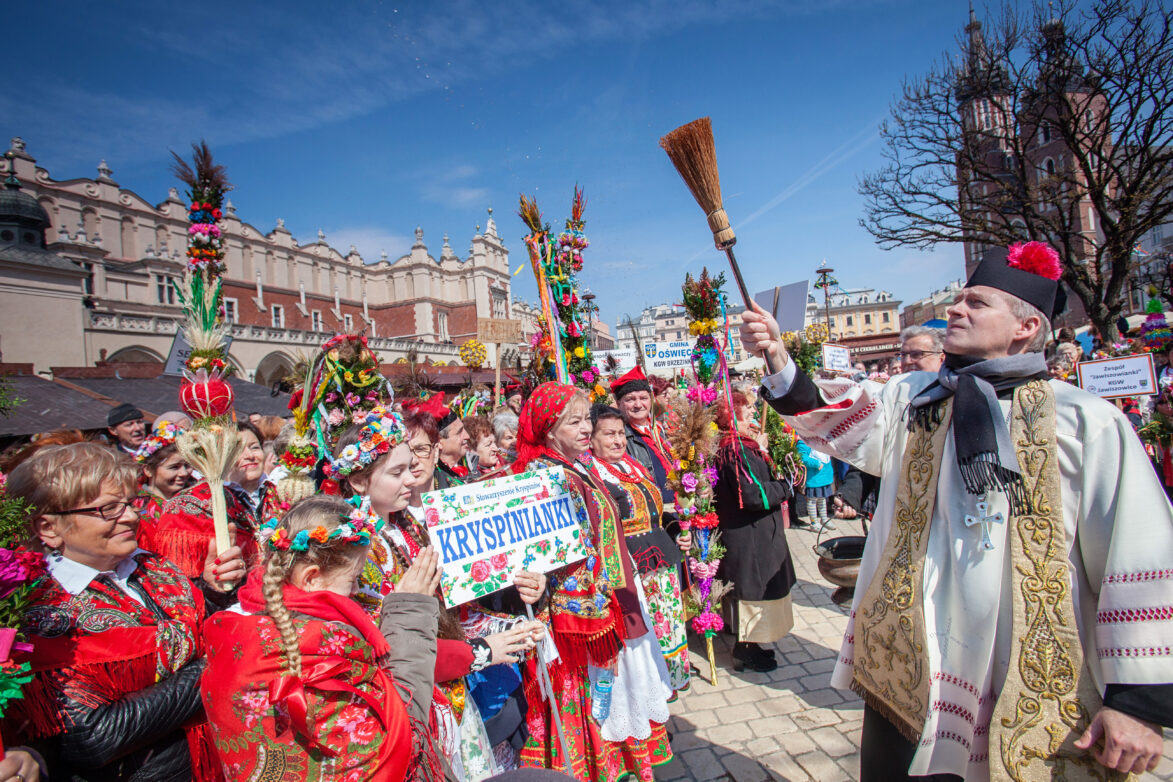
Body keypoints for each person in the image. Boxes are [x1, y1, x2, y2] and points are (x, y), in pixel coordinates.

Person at [740, 240, 1173, 780]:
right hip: (914, 657)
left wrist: (1137, 702)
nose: (954, 309)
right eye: (958, 299)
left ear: (1025, 327)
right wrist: (777, 357)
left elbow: (1136, 555)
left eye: (976, 302)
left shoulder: (1085, 423)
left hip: (1017, 662)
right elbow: (831, 419)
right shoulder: (915, 397)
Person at [3, 442, 244, 781]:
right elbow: (93, 737)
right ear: (49, 528)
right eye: (108, 509)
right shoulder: (42, 613)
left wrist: (213, 592)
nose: (131, 517)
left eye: (130, 504)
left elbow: (187, 630)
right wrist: (217, 664)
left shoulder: (151, 565)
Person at [335, 407, 545, 780]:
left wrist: (510, 625)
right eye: (396, 472)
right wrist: (484, 650)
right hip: (408, 702)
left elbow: (451, 612)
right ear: (357, 482)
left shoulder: (407, 530)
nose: (409, 478)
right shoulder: (355, 552)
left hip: (446, 690)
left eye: (410, 465)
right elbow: (385, 649)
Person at [202, 495, 444, 781]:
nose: (356, 591)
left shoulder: (237, 628)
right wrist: (409, 616)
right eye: (352, 579)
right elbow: (398, 738)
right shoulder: (320, 646)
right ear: (311, 578)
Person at [513, 382, 673, 781]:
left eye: (587, 419)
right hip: (578, 618)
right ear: (549, 428)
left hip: (606, 596)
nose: (586, 429)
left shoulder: (575, 464)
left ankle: (619, 763)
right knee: (591, 696)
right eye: (574, 422)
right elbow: (547, 550)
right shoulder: (544, 474)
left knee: (614, 693)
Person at [584, 404, 691, 693]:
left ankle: (670, 687)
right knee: (647, 637)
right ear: (591, 439)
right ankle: (653, 699)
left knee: (668, 627)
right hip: (633, 571)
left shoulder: (632, 466)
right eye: (608, 434)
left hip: (662, 564)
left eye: (620, 433)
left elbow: (655, 511)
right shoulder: (593, 477)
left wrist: (676, 530)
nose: (618, 440)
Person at [712, 392, 797, 673]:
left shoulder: (742, 446)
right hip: (749, 533)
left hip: (754, 531)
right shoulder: (734, 449)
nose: (752, 411)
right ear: (731, 413)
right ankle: (746, 648)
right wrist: (786, 488)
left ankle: (750, 642)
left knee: (753, 589)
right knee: (753, 591)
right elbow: (751, 494)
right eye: (746, 407)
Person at [611, 368, 675, 506]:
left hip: (678, 509)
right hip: (653, 512)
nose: (638, 405)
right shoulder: (619, 437)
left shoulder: (658, 429)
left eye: (643, 398)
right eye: (630, 399)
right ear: (619, 404)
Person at [131, 418, 191, 545]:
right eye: (174, 467)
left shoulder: (196, 500)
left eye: (187, 466)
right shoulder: (137, 509)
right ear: (148, 470)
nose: (184, 473)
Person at [226, 421, 278, 526]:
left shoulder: (280, 492)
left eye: (254, 447)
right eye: (237, 450)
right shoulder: (213, 500)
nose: (249, 455)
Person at [797, 437, 835, 532]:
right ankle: (814, 523)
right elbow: (802, 457)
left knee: (822, 498)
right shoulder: (803, 441)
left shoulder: (822, 438)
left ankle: (824, 519)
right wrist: (816, 463)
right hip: (813, 478)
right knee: (812, 500)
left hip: (824, 476)